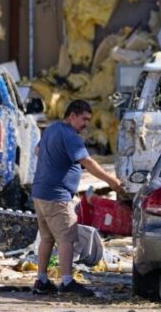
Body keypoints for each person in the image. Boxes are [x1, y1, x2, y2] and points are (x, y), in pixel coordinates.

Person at [31, 99, 124, 296]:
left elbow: (37, 150)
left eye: (89, 120)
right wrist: (113, 181)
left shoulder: (52, 129)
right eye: (84, 119)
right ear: (72, 116)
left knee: (47, 238)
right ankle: (67, 281)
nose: (86, 124)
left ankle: (41, 280)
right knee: (67, 238)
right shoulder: (70, 136)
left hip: (40, 193)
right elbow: (87, 162)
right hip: (57, 196)